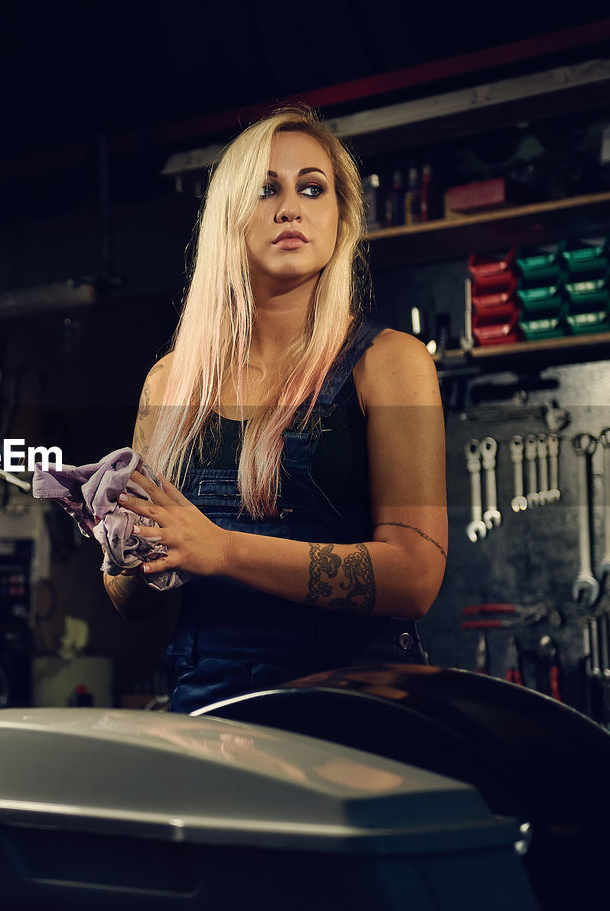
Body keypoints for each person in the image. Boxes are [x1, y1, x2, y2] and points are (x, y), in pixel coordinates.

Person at [104, 106, 447, 713]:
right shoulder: (170, 383)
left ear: (339, 219)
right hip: (207, 708)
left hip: (354, 708)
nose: (291, 207)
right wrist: (123, 548)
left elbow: (415, 577)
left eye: (311, 188)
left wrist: (222, 549)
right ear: (230, 219)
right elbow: (134, 604)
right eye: (266, 189)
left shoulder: (391, 363)